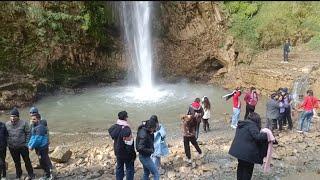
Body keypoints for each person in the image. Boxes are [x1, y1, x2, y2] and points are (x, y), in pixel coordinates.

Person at [229, 112, 268, 180]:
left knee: (241, 167)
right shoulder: (252, 125)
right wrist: (266, 134)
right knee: (247, 170)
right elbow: (257, 137)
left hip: (239, 151)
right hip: (247, 154)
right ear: (257, 120)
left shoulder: (242, 124)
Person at [6, 108, 35, 180]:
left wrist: (27, 143)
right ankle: (18, 174)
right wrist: (7, 143)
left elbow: (29, 133)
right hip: (12, 147)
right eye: (11, 116)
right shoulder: (7, 124)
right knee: (16, 162)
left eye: (14, 116)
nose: (13, 118)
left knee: (27, 161)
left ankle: (31, 173)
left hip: (23, 146)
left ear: (18, 116)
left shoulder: (24, 123)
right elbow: (5, 135)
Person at [108, 111, 136, 180]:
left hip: (117, 151)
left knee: (119, 167)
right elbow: (129, 144)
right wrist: (133, 154)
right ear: (125, 118)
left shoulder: (114, 127)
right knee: (129, 168)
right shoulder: (127, 129)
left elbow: (114, 137)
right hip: (126, 153)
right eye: (127, 116)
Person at [28, 113, 52, 180]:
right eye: (31, 119)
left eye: (34, 119)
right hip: (38, 148)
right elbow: (33, 137)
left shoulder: (40, 127)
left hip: (42, 148)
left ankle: (49, 176)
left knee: (43, 161)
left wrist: (31, 146)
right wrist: (29, 144)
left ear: (38, 119)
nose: (32, 120)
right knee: (41, 161)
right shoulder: (34, 126)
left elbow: (38, 139)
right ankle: (46, 174)